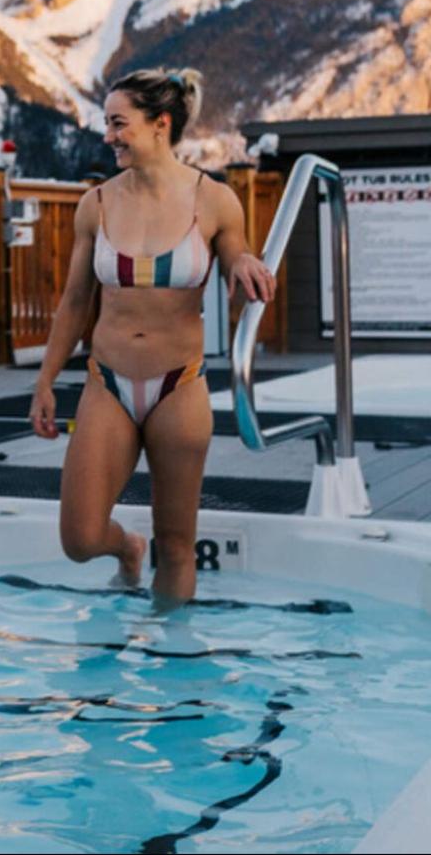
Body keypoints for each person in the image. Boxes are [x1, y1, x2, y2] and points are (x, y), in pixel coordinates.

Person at [28, 69, 275, 606]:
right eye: (107, 124)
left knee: (179, 545)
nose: (108, 136)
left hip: (178, 386)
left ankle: (171, 651)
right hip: (107, 383)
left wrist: (243, 262)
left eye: (119, 124)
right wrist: (45, 382)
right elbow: (75, 302)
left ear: (160, 124)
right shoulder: (96, 203)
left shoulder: (214, 201)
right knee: (80, 539)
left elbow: (234, 254)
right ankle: (127, 549)